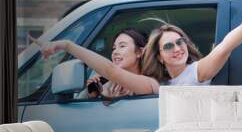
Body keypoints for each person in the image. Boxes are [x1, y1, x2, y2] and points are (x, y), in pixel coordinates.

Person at [142, 0, 242, 85]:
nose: (177, 48)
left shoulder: (196, 72)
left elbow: (225, 47)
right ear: (159, 57)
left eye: (179, 42)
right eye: (168, 46)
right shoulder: (161, 83)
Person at [30, 28, 159, 97]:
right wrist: (92, 93)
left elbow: (110, 70)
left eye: (122, 46)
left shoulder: (150, 83)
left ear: (139, 52)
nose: (115, 52)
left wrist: (67, 45)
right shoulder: (106, 84)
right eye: (114, 48)